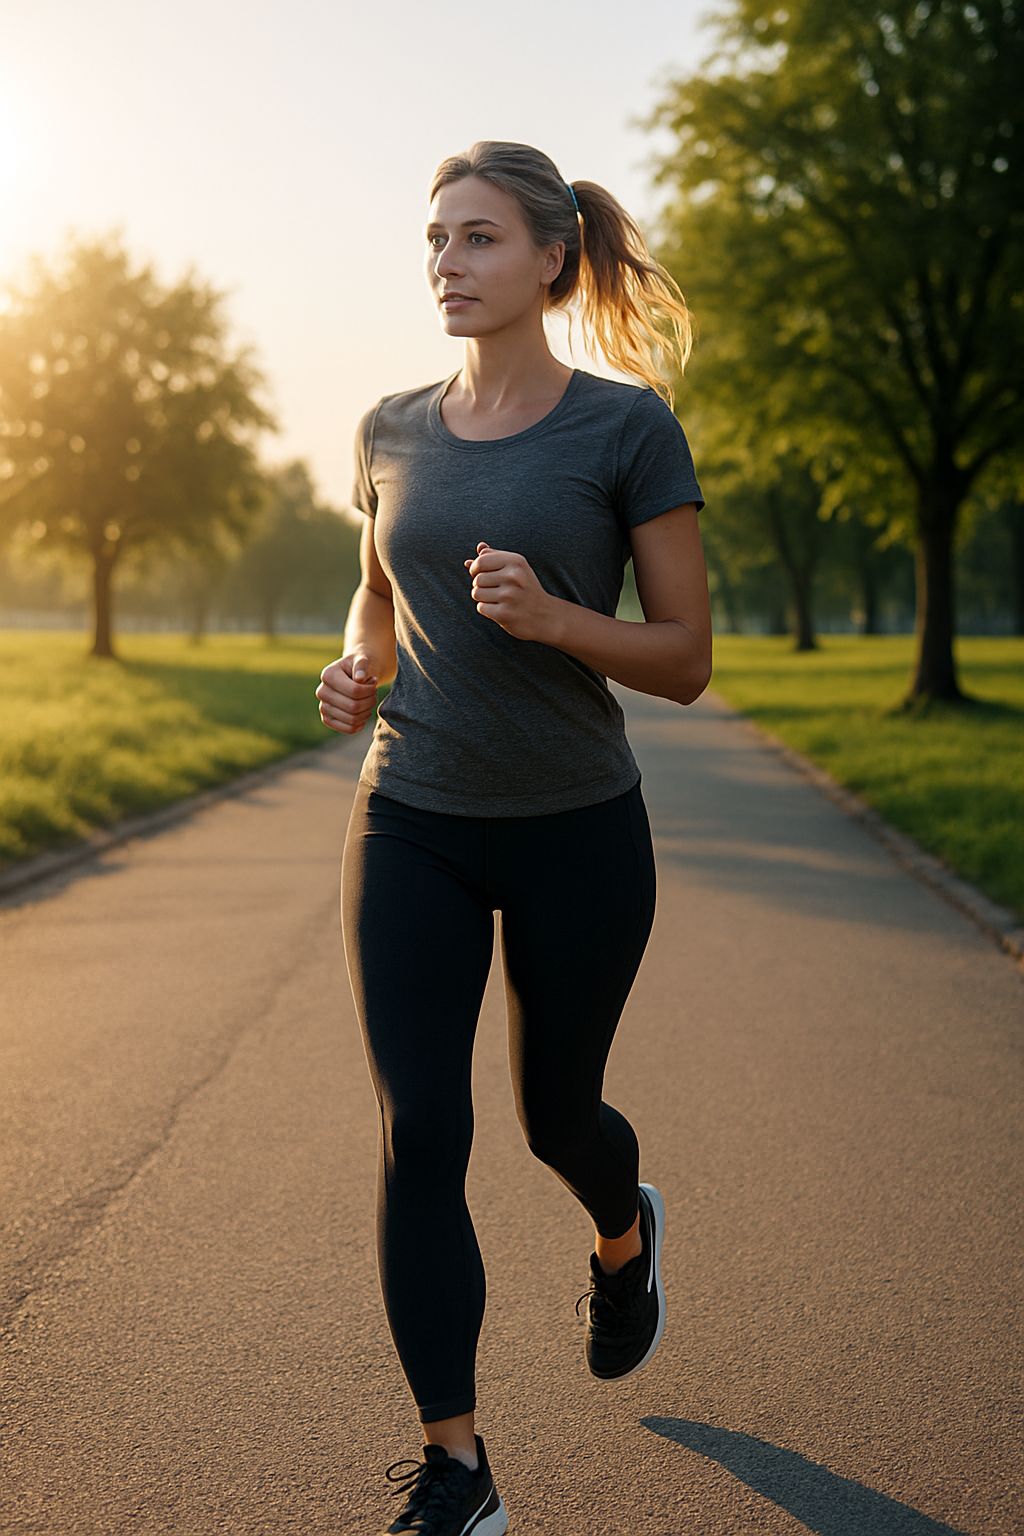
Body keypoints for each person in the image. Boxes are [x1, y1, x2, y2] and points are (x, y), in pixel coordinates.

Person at [316, 140, 711, 1536]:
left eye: (478, 240)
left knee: (559, 1119)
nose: (447, 265)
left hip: (575, 830)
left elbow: (684, 658)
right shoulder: (386, 428)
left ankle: (624, 1232)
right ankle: (459, 1472)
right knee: (421, 1128)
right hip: (411, 813)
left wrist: (555, 620)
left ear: (551, 258)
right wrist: (355, 668)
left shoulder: (624, 431)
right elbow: (377, 595)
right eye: (435, 241)